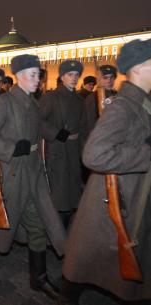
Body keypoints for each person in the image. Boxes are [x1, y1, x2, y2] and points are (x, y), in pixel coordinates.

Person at [59, 38, 151, 305]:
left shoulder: (141, 103)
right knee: (94, 254)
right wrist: (145, 154)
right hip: (117, 198)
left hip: (134, 193)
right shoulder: (123, 107)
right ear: (137, 68)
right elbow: (94, 154)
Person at [0, 55, 65, 300]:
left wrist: (57, 135)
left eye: (39, 74)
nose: (38, 79)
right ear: (19, 75)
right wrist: (11, 148)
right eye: (33, 74)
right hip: (11, 172)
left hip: (32, 172)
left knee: (38, 224)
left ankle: (39, 279)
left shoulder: (33, 102)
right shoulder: (4, 103)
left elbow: (40, 128)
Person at [39, 60, 87, 229]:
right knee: (58, 192)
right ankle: (54, 228)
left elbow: (83, 127)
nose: (74, 78)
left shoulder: (79, 100)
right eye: (69, 75)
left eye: (76, 75)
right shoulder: (51, 97)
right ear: (61, 77)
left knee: (72, 190)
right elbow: (38, 120)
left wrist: (84, 150)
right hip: (57, 150)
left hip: (73, 151)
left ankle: (65, 226)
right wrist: (56, 133)